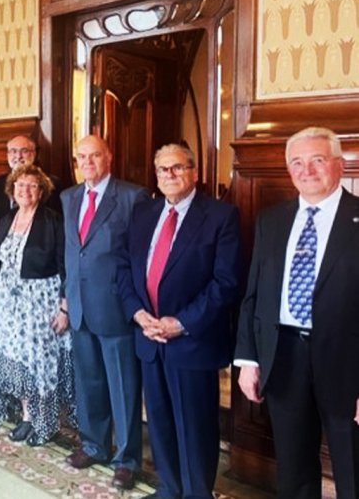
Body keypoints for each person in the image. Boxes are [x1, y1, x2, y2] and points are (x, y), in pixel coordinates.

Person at [235, 127, 359, 499]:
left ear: (338, 165)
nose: (307, 170)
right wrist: (247, 359)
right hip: (284, 357)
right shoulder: (272, 220)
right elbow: (254, 294)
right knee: (293, 471)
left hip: (347, 366)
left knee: (352, 468)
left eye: (317, 160)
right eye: (297, 163)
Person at [117, 143, 242, 499]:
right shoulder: (143, 213)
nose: (169, 175)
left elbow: (226, 283)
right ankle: (169, 489)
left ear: (195, 172)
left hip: (191, 340)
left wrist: (180, 323)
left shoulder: (220, 217)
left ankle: (197, 494)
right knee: (158, 421)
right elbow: (124, 268)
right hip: (148, 337)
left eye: (177, 168)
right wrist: (138, 314)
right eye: (162, 170)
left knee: (194, 427)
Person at [61, 135, 148, 490]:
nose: (88, 162)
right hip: (79, 305)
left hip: (114, 307)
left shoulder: (132, 197)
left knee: (123, 385)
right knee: (89, 381)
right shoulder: (69, 197)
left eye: (94, 155)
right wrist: (66, 300)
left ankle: (127, 459)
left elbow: (138, 257)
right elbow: (72, 253)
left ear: (108, 157)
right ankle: (94, 444)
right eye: (82, 157)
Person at [0, 164, 72, 447]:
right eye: (20, 185)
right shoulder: (8, 217)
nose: (25, 190)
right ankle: (27, 417)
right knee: (19, 364)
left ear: (42, 191)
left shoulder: (53, 220)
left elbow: (65, 265)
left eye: (32, 185)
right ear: (12, 189)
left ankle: (45, 423)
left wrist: (65, 308)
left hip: (40, 303)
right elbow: (0, 261)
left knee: (41, 365)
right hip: (10, 308)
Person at [0, 135, 62, 219]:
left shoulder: (51, 182)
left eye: (24, 151)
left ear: (34, 154)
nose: (18, 156)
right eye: (13, 151)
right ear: (7, 154)